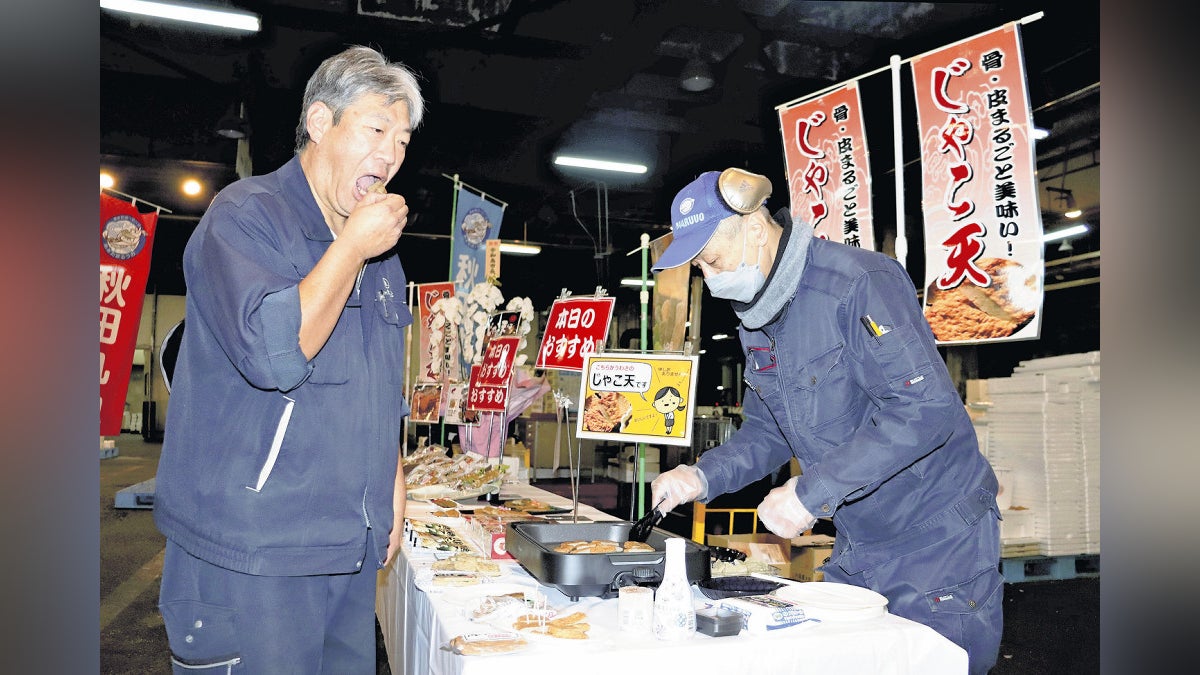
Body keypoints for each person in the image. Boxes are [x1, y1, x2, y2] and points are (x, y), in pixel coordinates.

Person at [650, 168, 1002, 673]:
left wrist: (808, 493)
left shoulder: (859, 283)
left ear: (753, 227)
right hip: (860, 538)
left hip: (937, 537)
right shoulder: (759, 317)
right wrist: (701, 475)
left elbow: (926, 411)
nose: (709, 275)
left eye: (711, 259)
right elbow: (769, 430)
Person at [152, 46, 423, 673]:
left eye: (403, 140)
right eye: (376, 129)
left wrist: (394, 471)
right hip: (253, 551)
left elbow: (381, 385)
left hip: (343, 547)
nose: (390, 154)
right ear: (321, 122)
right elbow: (275, 353)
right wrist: (352, 248)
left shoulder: (380, 254)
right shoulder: (245, 217)